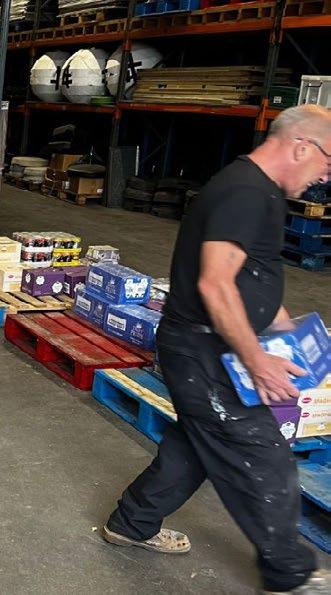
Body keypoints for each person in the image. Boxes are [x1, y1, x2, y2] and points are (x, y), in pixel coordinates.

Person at [100, 105, 331, 594]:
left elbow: (251, 276)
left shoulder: (260, 191)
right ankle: (291, 574)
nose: (326, 176)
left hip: (208, 348)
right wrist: (257, 360)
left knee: (196, 445)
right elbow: (216, 283)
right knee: (265, 457)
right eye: (328, 161)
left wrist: (291, 333)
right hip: (205, 354)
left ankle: (132, 523)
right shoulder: (245, 193)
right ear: (301, 147)